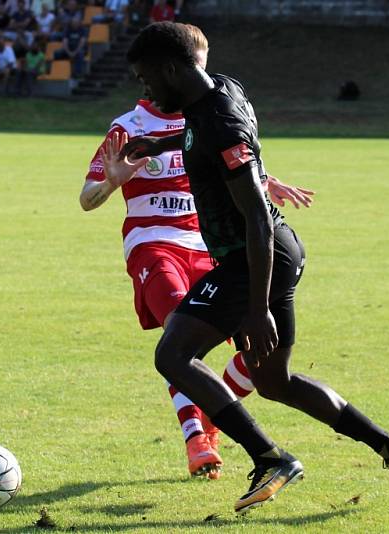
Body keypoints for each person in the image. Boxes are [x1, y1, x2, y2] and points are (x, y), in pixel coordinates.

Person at [121, 22, 389, 513]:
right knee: (274, 381)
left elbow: (257, 218)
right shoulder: (221, 87)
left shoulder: (220, 120)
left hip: (255, 257)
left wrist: (256, 308)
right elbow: (204, 139)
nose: (145, 89)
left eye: (145, 78)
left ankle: (269, 458)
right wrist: (160, 147)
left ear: (171, 69)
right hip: (274, 256)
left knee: (173, 355)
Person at [80, 24, 314, 480]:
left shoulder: (200, 115)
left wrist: (268, 180)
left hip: (208, 248)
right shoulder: (128, 128)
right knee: (177, 339)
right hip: (154, 245)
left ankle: (212, 417)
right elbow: (87, 197)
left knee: (254, 352)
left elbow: (231, 161)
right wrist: (112, 180)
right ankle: (196, 438)